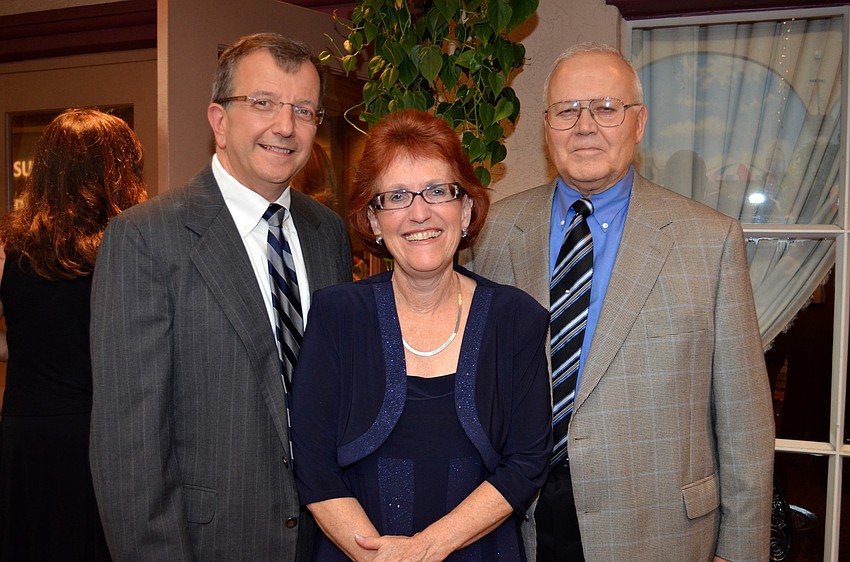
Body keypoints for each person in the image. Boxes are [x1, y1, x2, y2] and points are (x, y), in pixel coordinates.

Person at [461, 43, 775, 562]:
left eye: (606, 107)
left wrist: (739, 552)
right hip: (518, 527)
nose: (585, 125)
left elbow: (745, 420)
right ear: (546, 127)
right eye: (567, 110)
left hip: (662, 532)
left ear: (639, 122)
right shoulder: (490, 234)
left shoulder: (709, 241)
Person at [89, 33, 352, 560]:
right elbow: (130, 448)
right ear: (218, 119)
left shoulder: (328, 233)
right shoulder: (146, 238)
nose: (285, 126)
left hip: (329, 539)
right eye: (263, 104)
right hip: (212, 542)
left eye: (304, 110)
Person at [291, 109, 552, 561]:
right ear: (373, 221)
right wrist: (381, 558)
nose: (419, 213)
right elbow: (314, 466)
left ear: (466, 208)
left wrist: (424, 550)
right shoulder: (337, 316)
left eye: (438, 191)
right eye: (395, 196)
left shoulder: (517, 320)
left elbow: (526, 463)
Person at [0, 108, 147, 561]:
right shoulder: (131, 246)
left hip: (26, 434)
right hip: (100, 433)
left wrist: (28, 349)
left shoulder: (9, 249)